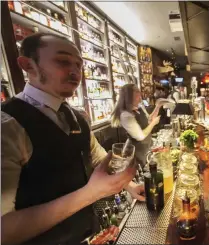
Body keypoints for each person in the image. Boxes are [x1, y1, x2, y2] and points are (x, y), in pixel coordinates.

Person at [1, 33, 144, 245]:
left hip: (88, 234)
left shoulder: (78, 117)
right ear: (28, 65)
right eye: (63, 61)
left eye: (79, 65)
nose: (76, 72)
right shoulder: (8, 124)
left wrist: (129, 185)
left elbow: (97, 157)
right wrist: (91, 193)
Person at [111, 84, 167, 167]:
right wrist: (153, 123)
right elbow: (140, 136)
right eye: (136, 91)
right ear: (129, 95)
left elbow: (149, 120)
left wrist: (158, 106)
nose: (140, 93)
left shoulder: (139, 107)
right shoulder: (125, 115)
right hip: (136, 153)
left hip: (145, 148)